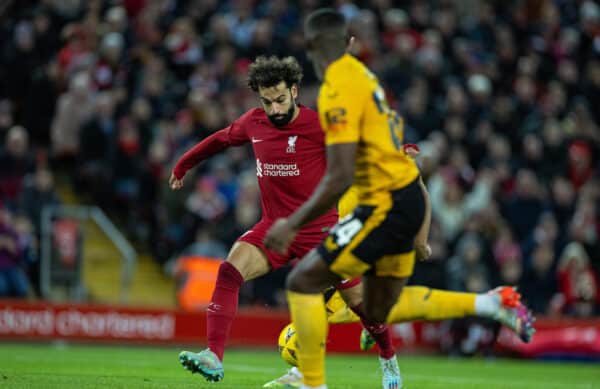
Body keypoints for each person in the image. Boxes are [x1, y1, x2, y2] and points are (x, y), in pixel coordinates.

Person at [264, 9, 535, 389]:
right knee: (373, 303)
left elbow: (341, 172)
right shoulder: (364, 78)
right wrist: (420, 234)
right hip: (400, 200)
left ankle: (311, 381)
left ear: (310, 48)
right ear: (350, 44)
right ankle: (493, 303)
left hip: (381, 205)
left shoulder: (336, 89)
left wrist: (291, 223)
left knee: (305, 283)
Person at [170, 55, 402, 387]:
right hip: (275, 228)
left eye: (280, 100)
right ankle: (213, 356)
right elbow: (220, 139)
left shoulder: (318, 124)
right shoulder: (254, 122)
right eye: (267, 102)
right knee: (230, 269)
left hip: (322, 232)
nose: (275, 109)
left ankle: (388, 358)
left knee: (362, 306)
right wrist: (183, 165)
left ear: (294, 91)